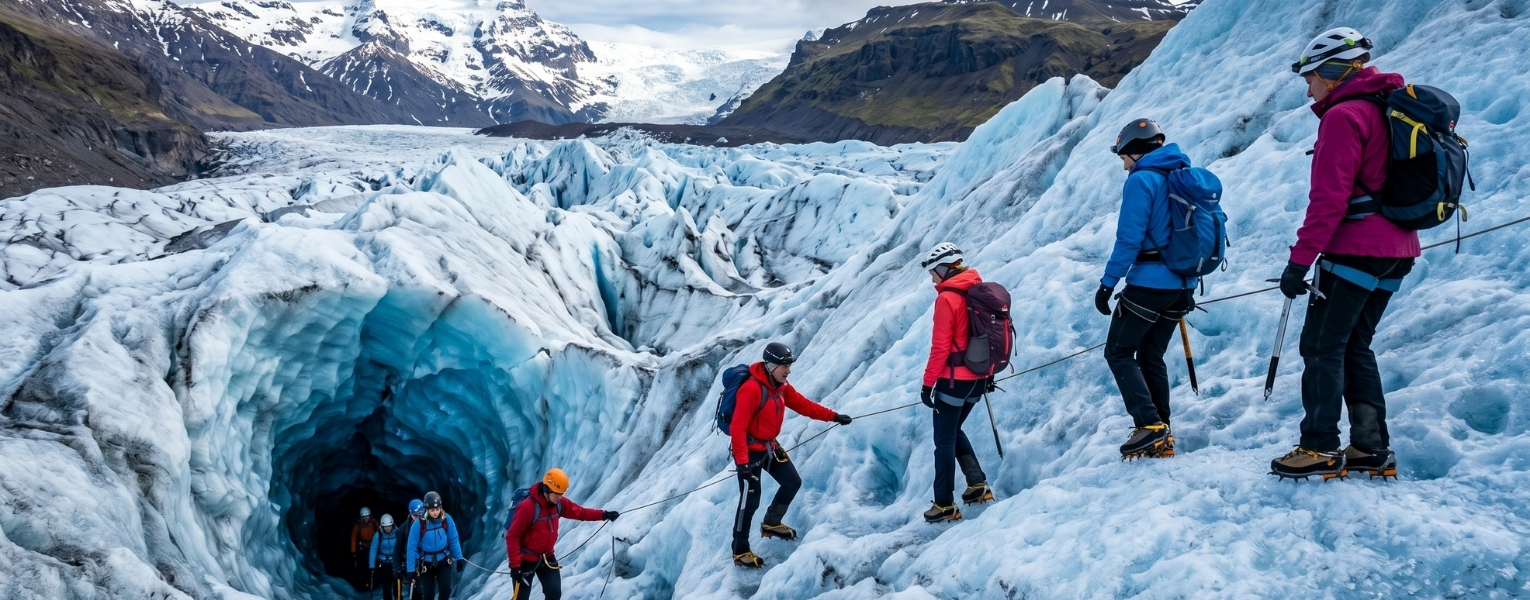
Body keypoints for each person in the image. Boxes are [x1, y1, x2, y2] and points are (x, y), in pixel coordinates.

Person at [1272, 27, 1416, 481]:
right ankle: (1371, 448)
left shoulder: (1343, 116)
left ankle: (1319, 447)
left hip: (1355, 251)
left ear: (1333, 73)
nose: (1308, 86)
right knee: (1356, 346)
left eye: (1311, 77)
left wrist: (1300, 260)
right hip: (1398, 250)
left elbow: (1329, 200)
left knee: (1320, 346)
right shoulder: (1386, 107)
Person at [1095, 119, 1198, 460]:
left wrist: (1107, 283)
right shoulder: (1181, 174)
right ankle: (1161, 429)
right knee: (1151, 354)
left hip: (1149, 284)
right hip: (1182, 285)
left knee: (1119, 352)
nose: (1124, 164)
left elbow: (1129, 238)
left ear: (1137, 150)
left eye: (1125, 156)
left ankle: (1149, 425)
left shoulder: (1142, 180)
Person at [729, 342, 853, 568]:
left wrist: (834, 416)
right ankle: (740, 550)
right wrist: (743, 464)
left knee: (792, 482)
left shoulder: (780, 387)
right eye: (784, 366)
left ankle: (771, 523)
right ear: (770, 365)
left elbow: (804, 405)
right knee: (750, 502)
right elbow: (737, 428)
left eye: (788, 366)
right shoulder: (752, 389)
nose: (788, 371)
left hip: (770, 447)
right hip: (750, 453)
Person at [917, 243, 996, 524]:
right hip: (978, 380)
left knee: (944, 441)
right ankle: (977, 486)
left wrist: (928, 385)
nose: (932, 280)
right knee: (954, 430)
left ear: (943, 268)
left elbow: (940, 348)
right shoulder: (977, 288)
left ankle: (944, 504)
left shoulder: (947, 299)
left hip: (953, 382)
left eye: (933, 273)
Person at [505, 468, 619, 599]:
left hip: (547, 557)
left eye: (562, 494)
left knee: (554, 594)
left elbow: (580, 512)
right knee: (520, 598)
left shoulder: (558, 503)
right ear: (546, 489)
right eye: (557, 494)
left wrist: (604, 515)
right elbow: (512, 536)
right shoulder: (527, 507)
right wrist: (515, 566)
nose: (560, 497)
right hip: (525, 560)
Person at [406, 492, 463, 600]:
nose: (435, 512)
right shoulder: (419, 524)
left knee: (446, 590)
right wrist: (410, 570)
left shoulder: (447, 519)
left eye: (437, 509)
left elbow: (453, 539)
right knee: (428, 595)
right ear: (427, 509)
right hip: (425, 563)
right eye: (432, 510)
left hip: (443, 559)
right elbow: (411, 547)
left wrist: (459, 558)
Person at [396, 500, 424, 599]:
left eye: (420, 515)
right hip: (412, 564)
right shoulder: (404, 528)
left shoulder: (429, 525)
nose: (418, 517)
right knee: (417, 591)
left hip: (426, 562)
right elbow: (397, 550)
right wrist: (397, 568)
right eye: (415, 515)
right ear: (410, 514)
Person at [369, 514, 401, 600]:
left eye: (389, 526)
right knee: (386, 585)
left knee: (397, 584)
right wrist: (372, 566)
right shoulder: (378, 535)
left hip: (395, 562)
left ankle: (398, 598)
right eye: (385, 526)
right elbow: (373, 550)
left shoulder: (398, 533)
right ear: (382, 526)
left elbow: (403, 546)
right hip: (383, 563)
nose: (387, 528)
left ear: (392, 524)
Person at [350, 506, 379, 587]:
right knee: (364, 564)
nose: (366, 518)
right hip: (363, 547)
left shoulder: (374, 523)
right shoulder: (358, 526)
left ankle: (374, 580)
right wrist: (353, 552)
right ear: (361, 517)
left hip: (373, 546)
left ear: (370, 515)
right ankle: (365, 581)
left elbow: (379, 534)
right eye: (364, 517)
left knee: (375, 563)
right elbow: (353, 538)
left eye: (367, 516)